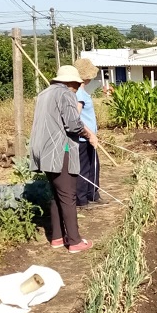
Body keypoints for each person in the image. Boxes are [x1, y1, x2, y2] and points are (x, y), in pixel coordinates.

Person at [29, 65, 98, 254]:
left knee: (56, 193)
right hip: (60, 149)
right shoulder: (66, 94)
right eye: (76, 84)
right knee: (68, 195)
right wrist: (89, 134)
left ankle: (57, 238)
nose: (76, 88)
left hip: (42, 151)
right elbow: (73, 125)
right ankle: (75, 241)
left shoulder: (44, 94)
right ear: (69, 83)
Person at [73, 58, 104, 209]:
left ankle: (93, 194)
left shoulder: (82, 91)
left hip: (89, 138)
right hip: (83, 139)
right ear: (86, 77)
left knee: (94, 166)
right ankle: (82, 199)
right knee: (83, 169)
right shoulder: (78, 93)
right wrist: (89, 134)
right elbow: (76, 118)